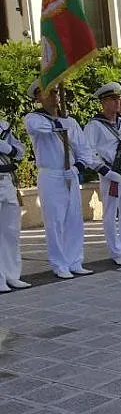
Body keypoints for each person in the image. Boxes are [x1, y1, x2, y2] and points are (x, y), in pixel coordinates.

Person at [25, 81, 94, 279]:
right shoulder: (34, 118)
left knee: (74, 219)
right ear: (38, 97)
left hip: (70, 173)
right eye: (47, 93)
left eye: (55, 92)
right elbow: (39, 129)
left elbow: (84, 150)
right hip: (50, 174)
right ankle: (59, 263)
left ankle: (75, 260)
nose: (54, 95)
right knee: (55, 221)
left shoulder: (70, 122)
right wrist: (60, 125)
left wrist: (77, 167)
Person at [83, 82, 121, 266]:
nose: (117, 102)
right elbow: (88, 152)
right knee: (111, 214)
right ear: (103, 102)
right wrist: (106, 172)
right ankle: (117, 252)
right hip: (111, 173)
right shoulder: (95, 125)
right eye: (112, 99)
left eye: (118, 98)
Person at [0, 116, 29, 291]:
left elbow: (20, 151)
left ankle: (12, 275)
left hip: (7, 181)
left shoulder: (3, 126)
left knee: (11, 231)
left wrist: (7, 148)